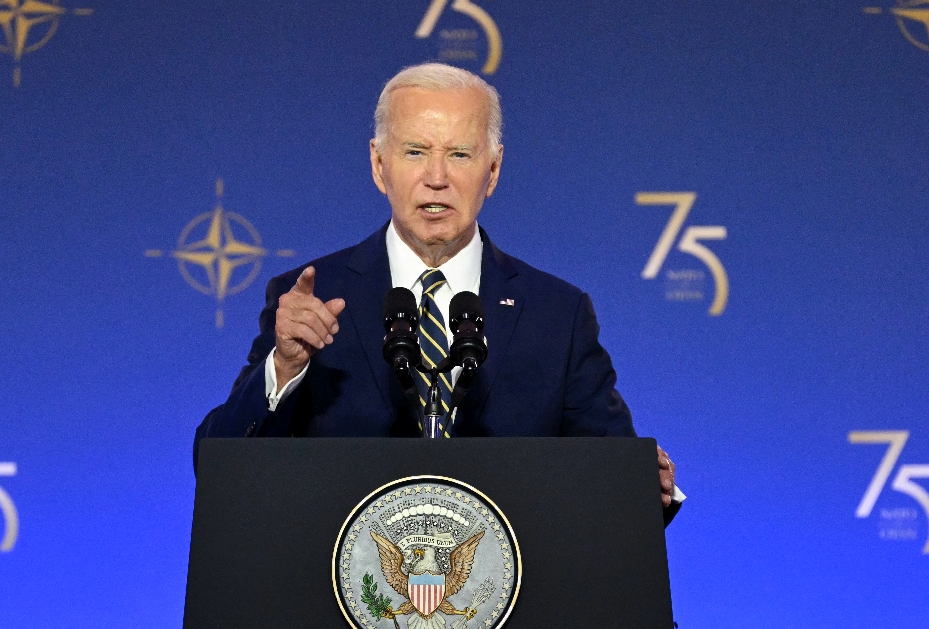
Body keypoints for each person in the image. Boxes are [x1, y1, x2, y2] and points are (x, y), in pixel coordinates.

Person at [195, 63, 683, 520]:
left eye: (459, 154)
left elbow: (615, 485)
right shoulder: (311, 296)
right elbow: (218, 464)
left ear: (492, 171)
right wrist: (283, 369)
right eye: (415, 152)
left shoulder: (557, 313)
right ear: (378, 165)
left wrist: (644, 485)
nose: (436, 178)